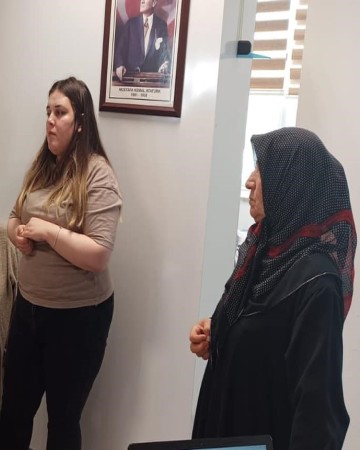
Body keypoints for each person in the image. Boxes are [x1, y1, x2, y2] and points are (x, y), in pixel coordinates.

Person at [189, 127, 355, 450]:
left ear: (292, 182)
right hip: (228, 431)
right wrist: (219, 331)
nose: (249, 181)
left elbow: (319, 413)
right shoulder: (263, 249)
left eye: (262, 170)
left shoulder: (318, 282)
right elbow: (264, 333)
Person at [0, 77, 122, 449]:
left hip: (78, 318)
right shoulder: (42, 165)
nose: (50, 121)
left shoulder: (98, 173)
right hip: (29, 308)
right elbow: (13, 216)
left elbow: (99, 253)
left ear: (80, 122)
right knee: (13, 413)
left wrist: (49, 233)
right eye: (48, 112)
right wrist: (17, 234)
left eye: (60, 113)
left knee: (63, 422)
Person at [113, 0, 170, 81]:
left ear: (154, 3)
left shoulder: (161, 25)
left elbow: (165, 52)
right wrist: (119, 65)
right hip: (129, 78)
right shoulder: (131, 24)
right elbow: (120, 50)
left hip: (151, 80)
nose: (142, 1)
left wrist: (165, 64)